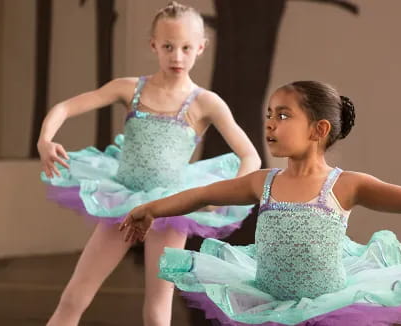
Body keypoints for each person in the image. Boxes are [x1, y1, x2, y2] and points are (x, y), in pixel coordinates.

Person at [121, 80, 401, 326]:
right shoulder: (263, 183)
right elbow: (202, 194)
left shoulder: (346, 185)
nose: (270, 123)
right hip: (268, 300)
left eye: (284, 115)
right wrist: (152, 208)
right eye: (269, 114)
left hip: (327, 307)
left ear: (318, 130)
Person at [38, 2, 260, 325]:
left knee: (158, 311)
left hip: (170, 210)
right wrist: (45, 139)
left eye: (186, 48)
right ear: (153, 44)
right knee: (74, 297)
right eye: (168, 47)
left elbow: (250, 155)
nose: (177, 56)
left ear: (201, 47)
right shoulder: (130, 88)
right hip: (123, 200)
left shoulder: (205, 103)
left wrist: (223, 195)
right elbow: (63, 108)